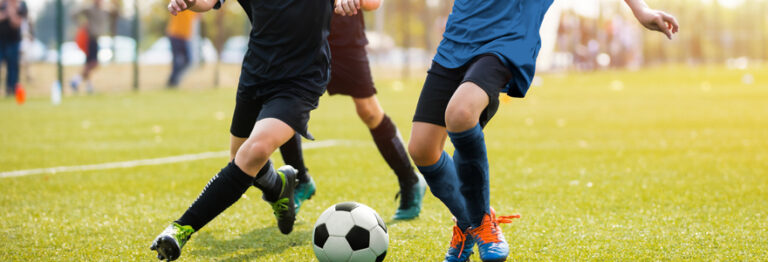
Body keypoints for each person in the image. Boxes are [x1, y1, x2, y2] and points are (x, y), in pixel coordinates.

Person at [336, 0, 679, 261]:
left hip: (506, 42)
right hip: (457, 40)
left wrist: (641, 10)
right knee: (422, 150)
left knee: (460, 112)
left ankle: (482, 221)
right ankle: (468, 222)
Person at [150, 0, 333, 260]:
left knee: (253, 153)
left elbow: (372, 3)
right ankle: (278, 187)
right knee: (241, 162)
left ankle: (180, 229)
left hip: (301, 79)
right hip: (257, 73)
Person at [281, 11, 427, 221]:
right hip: (303, 38)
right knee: (286, 105)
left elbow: (372, 2)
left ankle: (410, 179)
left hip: (345, 39)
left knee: (368, 111)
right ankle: (301, 180)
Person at [70, 0, 113, 94]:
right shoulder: (89, 9)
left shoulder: (104, 10)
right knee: (94, 63)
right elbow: (74, 14)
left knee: (89, 64)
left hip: (96, 39)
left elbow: (114, 14)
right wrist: (81, 25)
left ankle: (88, 86)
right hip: (90, 39)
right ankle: (75, 81)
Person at [0, 0, 27, 97]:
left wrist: (11, 13)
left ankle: (11, 90)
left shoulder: (21, 6)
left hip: (13, 41)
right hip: (1, 40)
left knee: (13, 67)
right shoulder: (2, 4)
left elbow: (17, 23)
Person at [165, 10, 198, 88]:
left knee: (188, 61)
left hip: (185, 36)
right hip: (175, 34)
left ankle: (173, 81)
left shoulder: (195, 6)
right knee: (177, 60)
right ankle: (173, 82)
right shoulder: (182, 3)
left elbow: (198, 16)